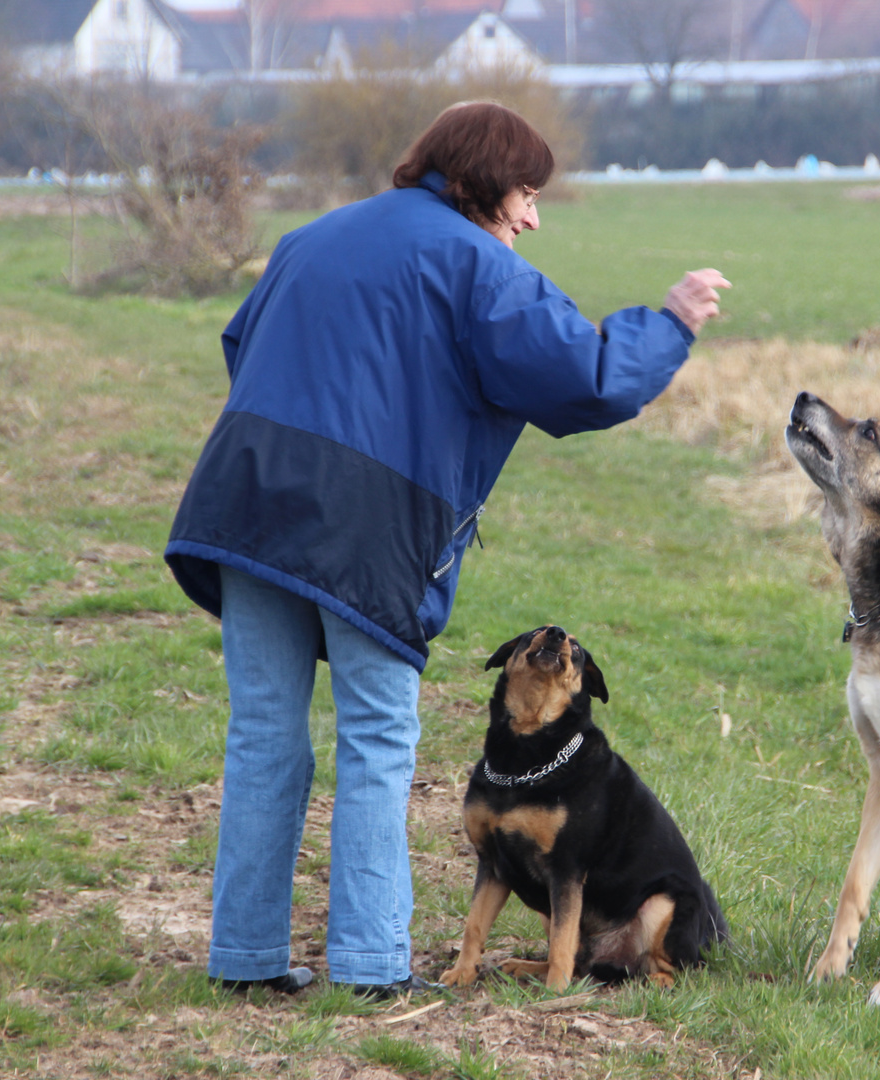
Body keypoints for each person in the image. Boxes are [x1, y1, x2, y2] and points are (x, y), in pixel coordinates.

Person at [163, 101, 729, 998]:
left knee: (264, 736)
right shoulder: (474, 262)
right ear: (483, 181)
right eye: (528, 193)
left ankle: (245, 958)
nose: (533, 217)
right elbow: (583, 376)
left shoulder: (313, 236)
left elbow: (243, 342)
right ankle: (371, 967)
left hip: (246, 499)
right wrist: (671, 324)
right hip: (369, 528)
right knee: (379, 739)